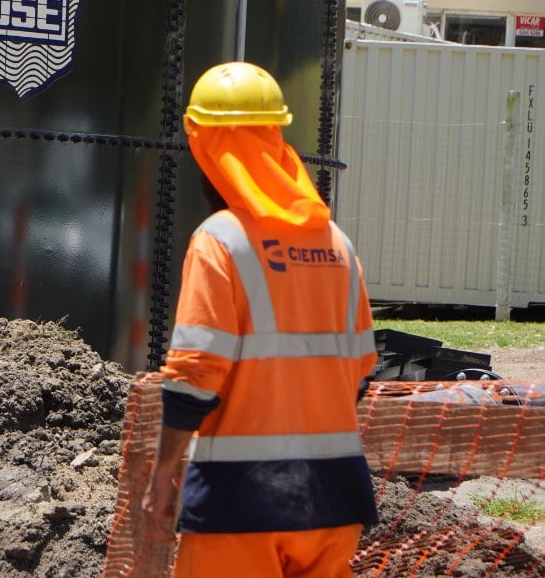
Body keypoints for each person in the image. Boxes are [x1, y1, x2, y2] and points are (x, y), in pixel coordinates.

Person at [141, 62, 378, 577]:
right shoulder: (337, 246)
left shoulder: (220, 241)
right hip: (334, 502)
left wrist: (163, 473)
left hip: (240, 502)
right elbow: (359, 370)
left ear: (205, 149)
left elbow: (193, 378)